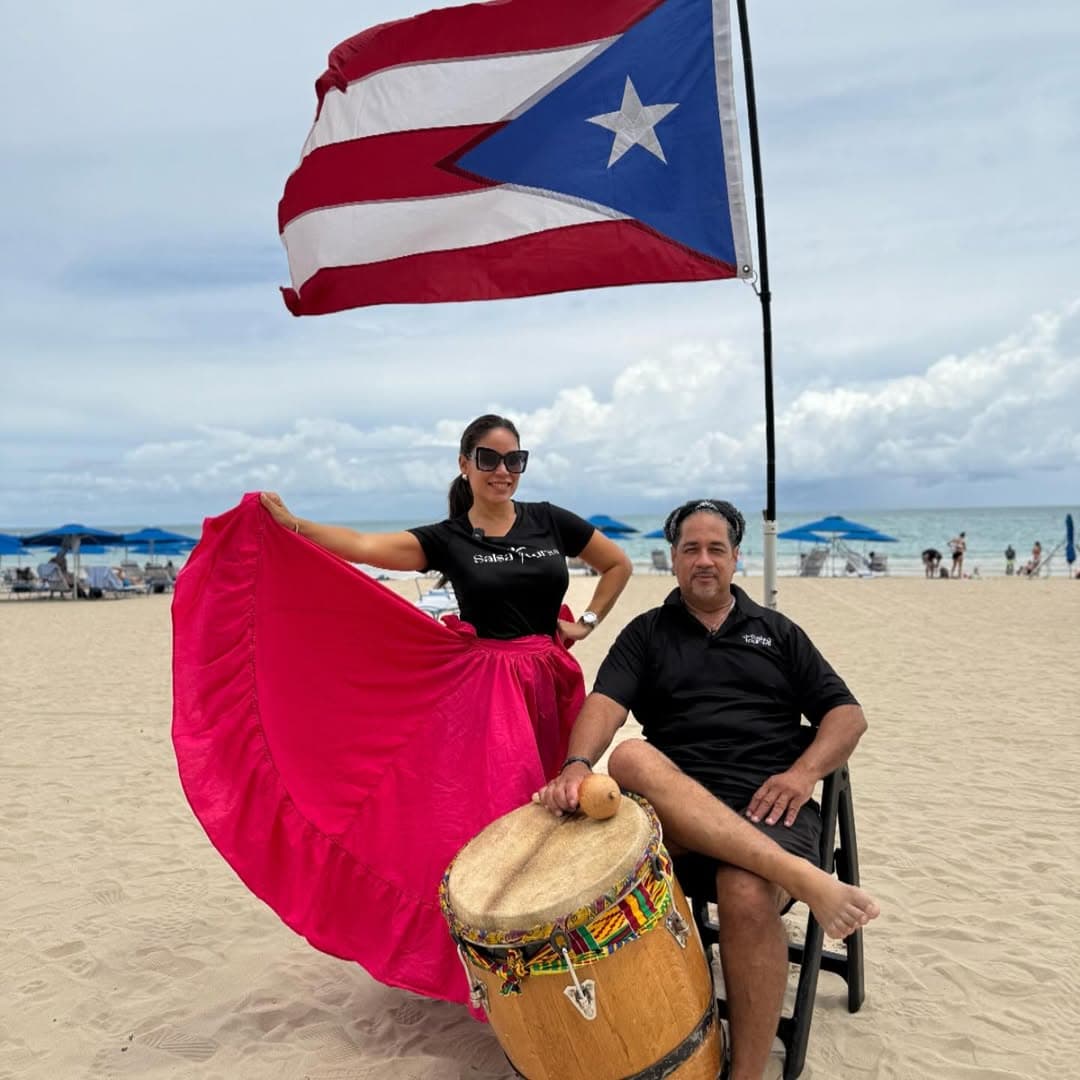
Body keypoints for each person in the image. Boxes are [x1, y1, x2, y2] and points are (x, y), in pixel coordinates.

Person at [179, 414, 632, 1007]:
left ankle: (564, 952)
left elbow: (617, 564)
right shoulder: (448, 538)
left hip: (551, 683)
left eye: (514, 460)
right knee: (509, 822)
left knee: (561, 816)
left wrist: (587, 622)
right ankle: (504, 975)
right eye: (488, 459)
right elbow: (367, 547)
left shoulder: (549, 519)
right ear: (465, 464)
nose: (502, 471)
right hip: (491, 697)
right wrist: (296, 527)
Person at [537, 499, 879, 1080]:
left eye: (716, 549)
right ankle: (801, 877)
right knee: (631, 756)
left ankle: (745, 1073)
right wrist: (575, 763)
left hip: (768, 803)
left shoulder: (777, 632)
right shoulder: (647, 633)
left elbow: (847, 717)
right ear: (673, 558)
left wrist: (802, 774)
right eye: (691, 549)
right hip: (676, 808)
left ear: (735, 558)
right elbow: (605, 704)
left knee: (745, 888)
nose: (703, 560)